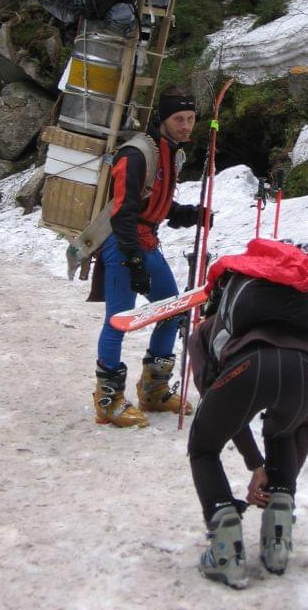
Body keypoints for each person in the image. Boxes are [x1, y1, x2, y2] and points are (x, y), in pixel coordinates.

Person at [186, 237, 308, 589]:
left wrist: (254, 464)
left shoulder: (206, 331)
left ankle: (226, 551)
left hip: (246, 367)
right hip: (305, 371)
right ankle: (278, 542)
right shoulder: (296, 312)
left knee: (203, 447)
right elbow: (307, 421)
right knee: (282, 431)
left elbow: (221, 410)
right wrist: (277, 479)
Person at [91, 85, 204, 428]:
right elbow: (123, 213)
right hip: (120, 241)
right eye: (179, 119)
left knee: (172, 309)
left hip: (145, 240)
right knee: (119, 319)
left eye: (191, 119)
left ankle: (153, 390)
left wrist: (189, 214)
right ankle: (108, 402)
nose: (186, 125)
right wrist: (134, 262)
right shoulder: (137, 154)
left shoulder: (169, 152)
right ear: (163, 119)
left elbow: (155, 203)